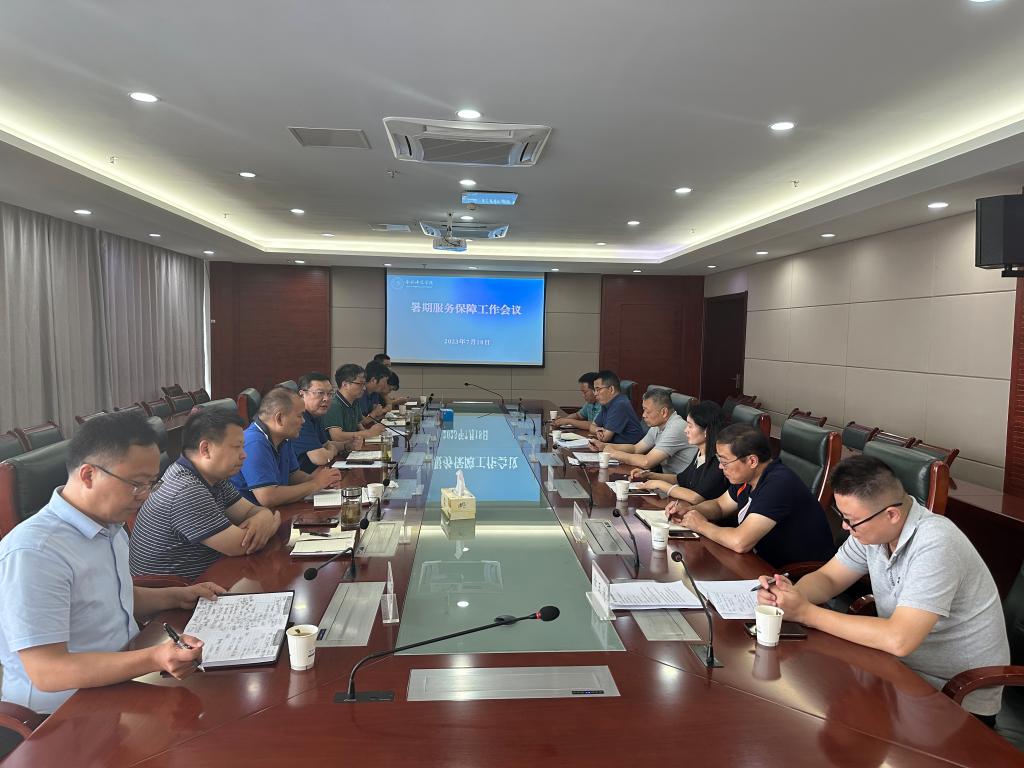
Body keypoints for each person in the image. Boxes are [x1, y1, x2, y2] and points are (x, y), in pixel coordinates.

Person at [757, 455, 1010, 723]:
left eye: (851, 520)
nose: (845, 527)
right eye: (842, 516)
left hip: (954, 694)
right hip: (898, 672)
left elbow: (899, 639)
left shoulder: (937, 544)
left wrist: (806, 613)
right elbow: (828, 578)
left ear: (891, 514)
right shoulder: (873, 531)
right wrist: (790, 595)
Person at [0, 411, 224, 714]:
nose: (144, 496)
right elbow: (48, 671)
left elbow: (111, 598)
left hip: (119, 680)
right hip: (61, 714)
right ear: (88, 475)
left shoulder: (109, 526)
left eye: (151, 483)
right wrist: (154, 657)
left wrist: (178, 596)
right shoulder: (35, 552)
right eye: (136, 484)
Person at [130, 409, 282, 580]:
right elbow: (242, 545)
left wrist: (264, 516)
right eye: (236, 447)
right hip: (179, 591)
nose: (244, 455)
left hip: (207, 577)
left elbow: (250, 511)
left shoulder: (213, 477)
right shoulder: (186, 490)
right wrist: (271, 522)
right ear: (206, 449)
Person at [667, 423, 835, 567]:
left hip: (791, 574)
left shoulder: (779, 484)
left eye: (724, 462)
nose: (720, 467)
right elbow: (720, 505)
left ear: (752, 461)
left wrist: (701, 526)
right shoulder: (747, 478)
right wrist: (691, 510)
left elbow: (740, 542)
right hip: (758, 562)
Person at [230, 387, 341, 506]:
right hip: (254, 514)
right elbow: (268, 497)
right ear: (279, 418)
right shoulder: (254, 443)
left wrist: (322, 481)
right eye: (299, 416)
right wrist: (315, 484)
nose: (303, 421)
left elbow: (293, 475)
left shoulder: (283, 437)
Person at [631, 400, 728, 504]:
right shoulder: (700, 453)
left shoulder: (719, 461)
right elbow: (680, 479)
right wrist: (649, 475)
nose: (685, 430)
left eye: (690, 426)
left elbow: (696, 497)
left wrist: (660, 484)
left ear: (706, 431)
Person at [591, 388, 695, 473]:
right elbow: (636, 448)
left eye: (647, 411)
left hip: (682, 485)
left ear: (664, 412)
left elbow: (647, 462)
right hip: (666, 480)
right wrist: (604, 446)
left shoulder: (676, 427)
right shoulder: (658, 426)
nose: (643, 415)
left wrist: (613, 453)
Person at [294, 371, 360, 473]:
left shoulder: (316, 414)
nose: (326, 398)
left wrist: (346, 445)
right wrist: (331, 451)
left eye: (329, 394)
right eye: (320, 393)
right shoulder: (300, 418)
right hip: (303, 477)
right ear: (302, 395)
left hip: (315, 472)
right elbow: (320, 458)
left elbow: (326, 444)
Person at [322, 363, 386, 443]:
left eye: (364, 384)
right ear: (345, 384)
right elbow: (337, 436)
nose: (364, 388)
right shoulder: (334, 404)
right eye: (360, 384)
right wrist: (368, 433)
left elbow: (358, 424)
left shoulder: (354, 400)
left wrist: (373, 435)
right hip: (337, 449)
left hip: (352, 446)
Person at [591, 370, 646, 445]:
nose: (595, 394)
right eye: (594, 390)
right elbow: (592, 426)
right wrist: (598, 430)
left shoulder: (620, 404)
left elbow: (605, 438)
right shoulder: (607, 404)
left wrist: (600, 432)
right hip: (615, 447)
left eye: (598, 389)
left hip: (630, 449)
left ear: (611, 389)